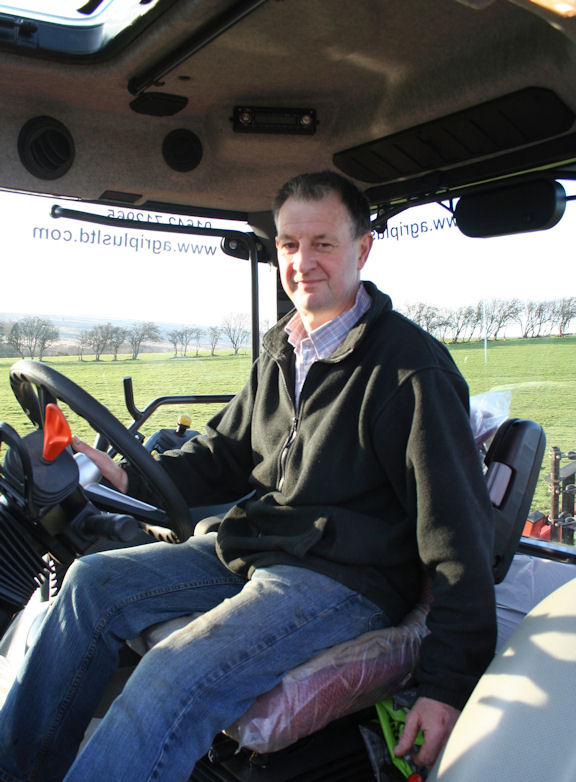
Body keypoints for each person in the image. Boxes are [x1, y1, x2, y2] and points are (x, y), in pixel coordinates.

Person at [0, 170, 496, 781]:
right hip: (260, 545)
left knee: (171, 673)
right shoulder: (283, 347)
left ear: (362, 250)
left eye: (323, 243)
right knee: (89, 581)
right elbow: (226, 453)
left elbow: (458, 536)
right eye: (290, 244)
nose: (303, 262)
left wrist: (446, 686)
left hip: (346, 578)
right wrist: (128, 477)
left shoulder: (410, 371)